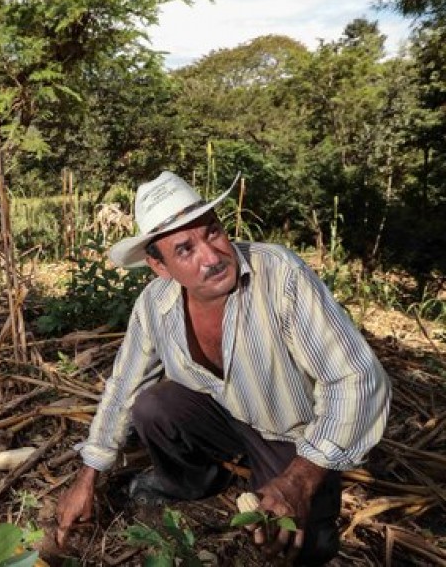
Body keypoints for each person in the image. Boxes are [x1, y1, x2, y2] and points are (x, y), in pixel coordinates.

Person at [55, 171, 391, 565]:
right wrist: (87, 477)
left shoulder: (279, 274)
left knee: (302, 545)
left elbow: (356, 378)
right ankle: (190, 482)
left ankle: (288, 488)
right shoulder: (154, 304)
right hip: (223, 416)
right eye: (185, 250)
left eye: (212, 233)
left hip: (290, 433)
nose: (212, 258)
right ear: (160, 267)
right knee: (152, 407)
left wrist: (299, 479)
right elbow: (123, 386)